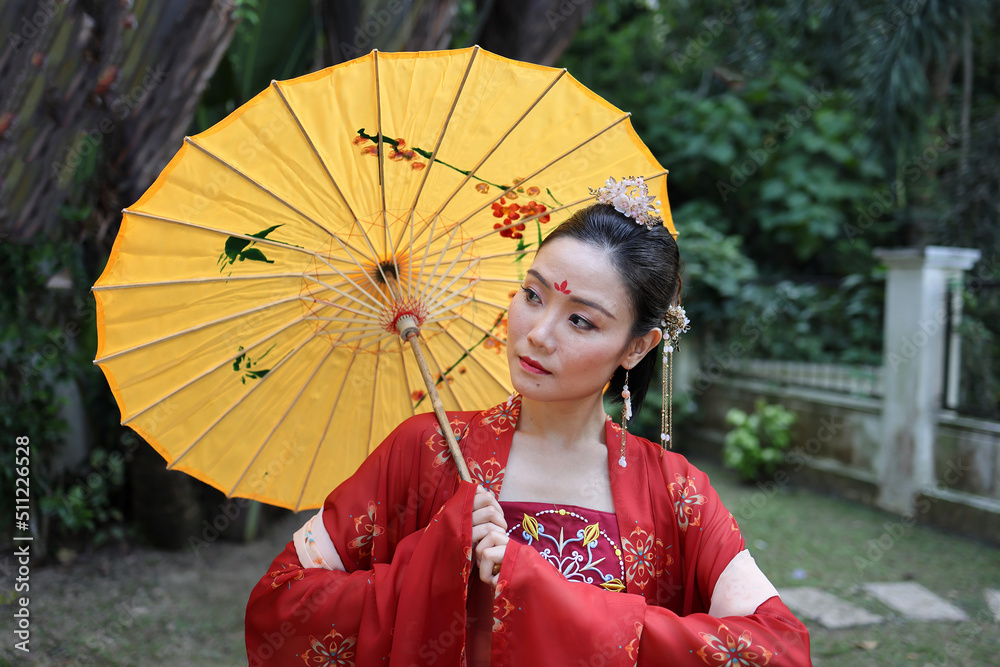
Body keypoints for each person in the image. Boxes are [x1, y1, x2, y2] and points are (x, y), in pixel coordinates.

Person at [244, 179, 812, 666]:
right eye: (533, 295)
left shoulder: (675, 491)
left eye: (581, 321)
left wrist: (540, 592)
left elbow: (778, 649)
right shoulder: (426, 450)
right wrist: (434, 559)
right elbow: (281, 605)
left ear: (637, 347)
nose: (538, 334)